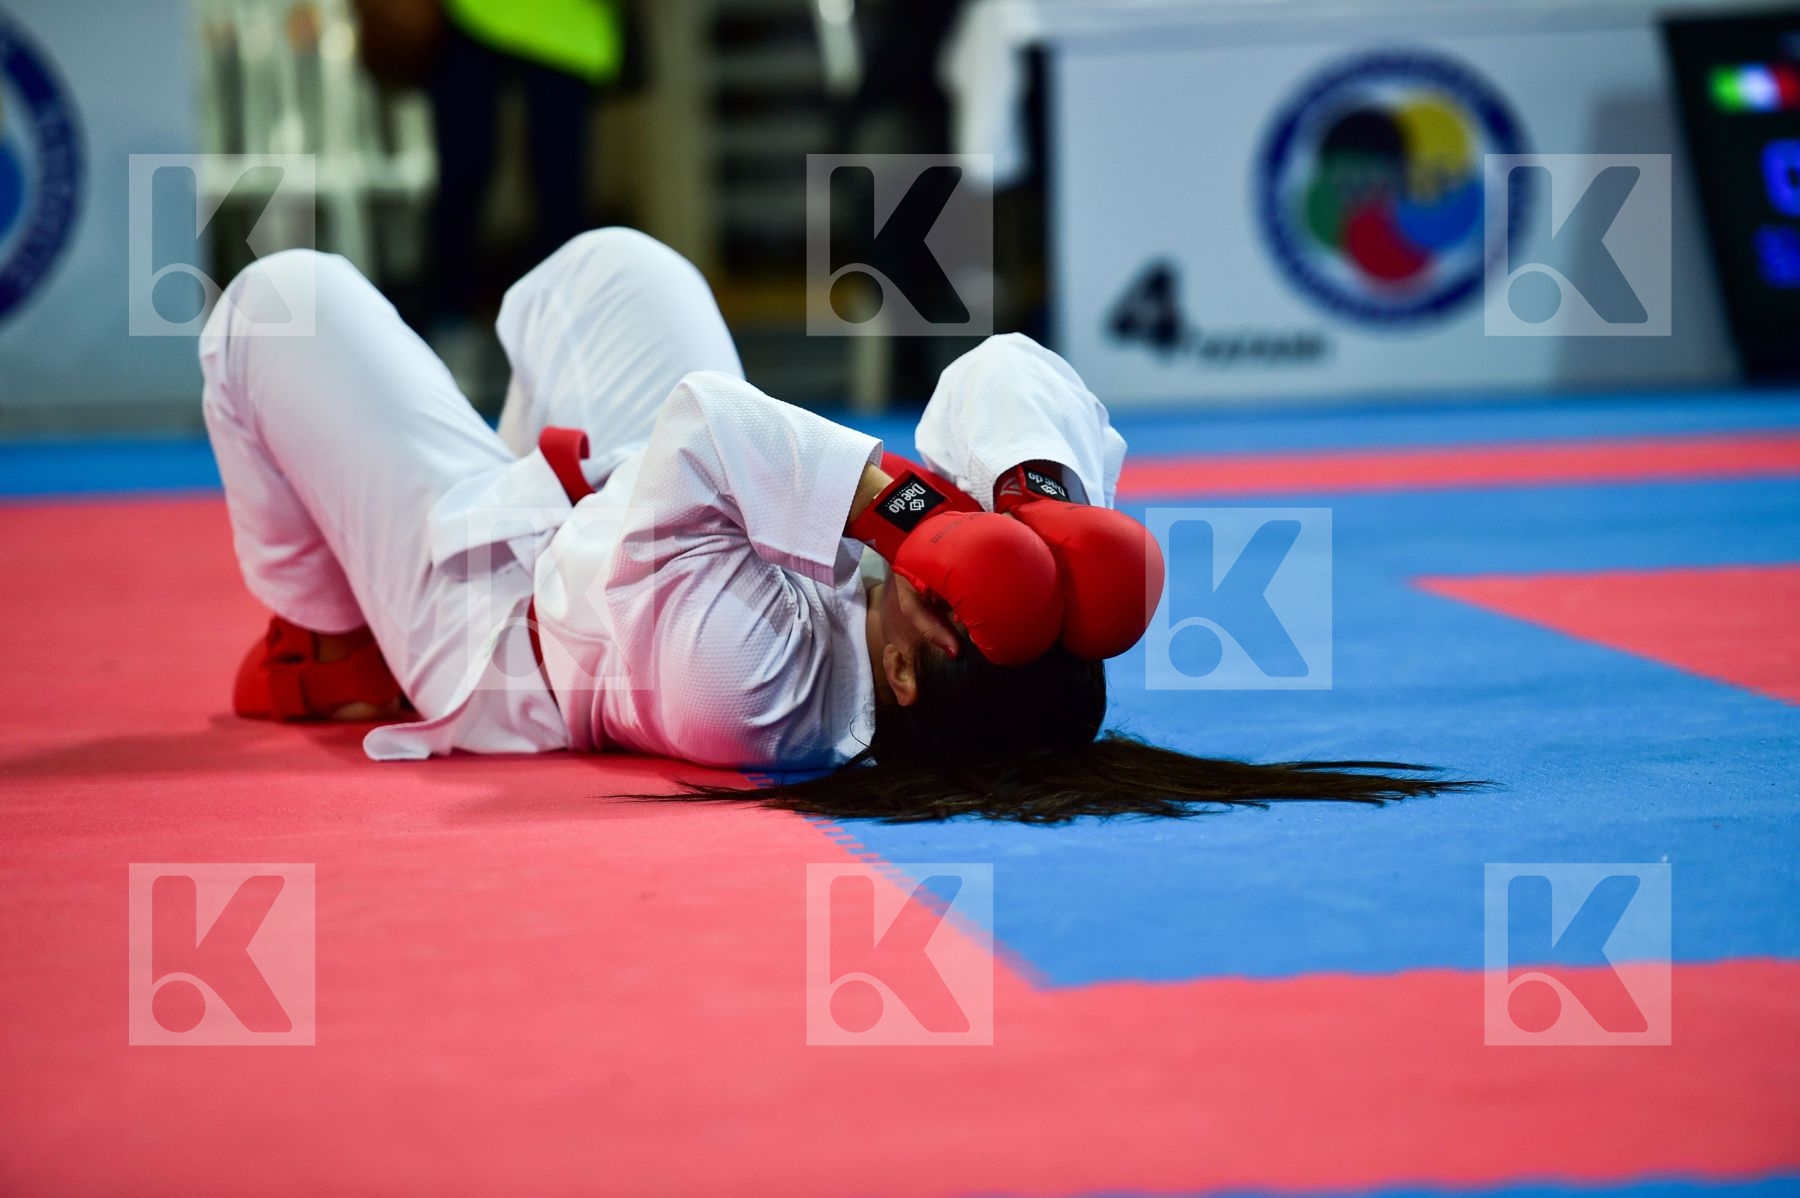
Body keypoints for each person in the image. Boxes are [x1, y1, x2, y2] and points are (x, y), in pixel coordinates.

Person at [200, 229, 1475, 822]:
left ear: (907, 669)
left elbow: (706, 424)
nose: (964, 551)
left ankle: (333, 635)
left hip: (492, 610)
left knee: (279, 301)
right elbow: (1000, 369)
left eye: (953, 589)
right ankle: (417, 474)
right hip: (622, 492)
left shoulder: (754, 698)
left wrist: (909, 512)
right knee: (624, 269)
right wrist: (1041, 496)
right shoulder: (945, 627)